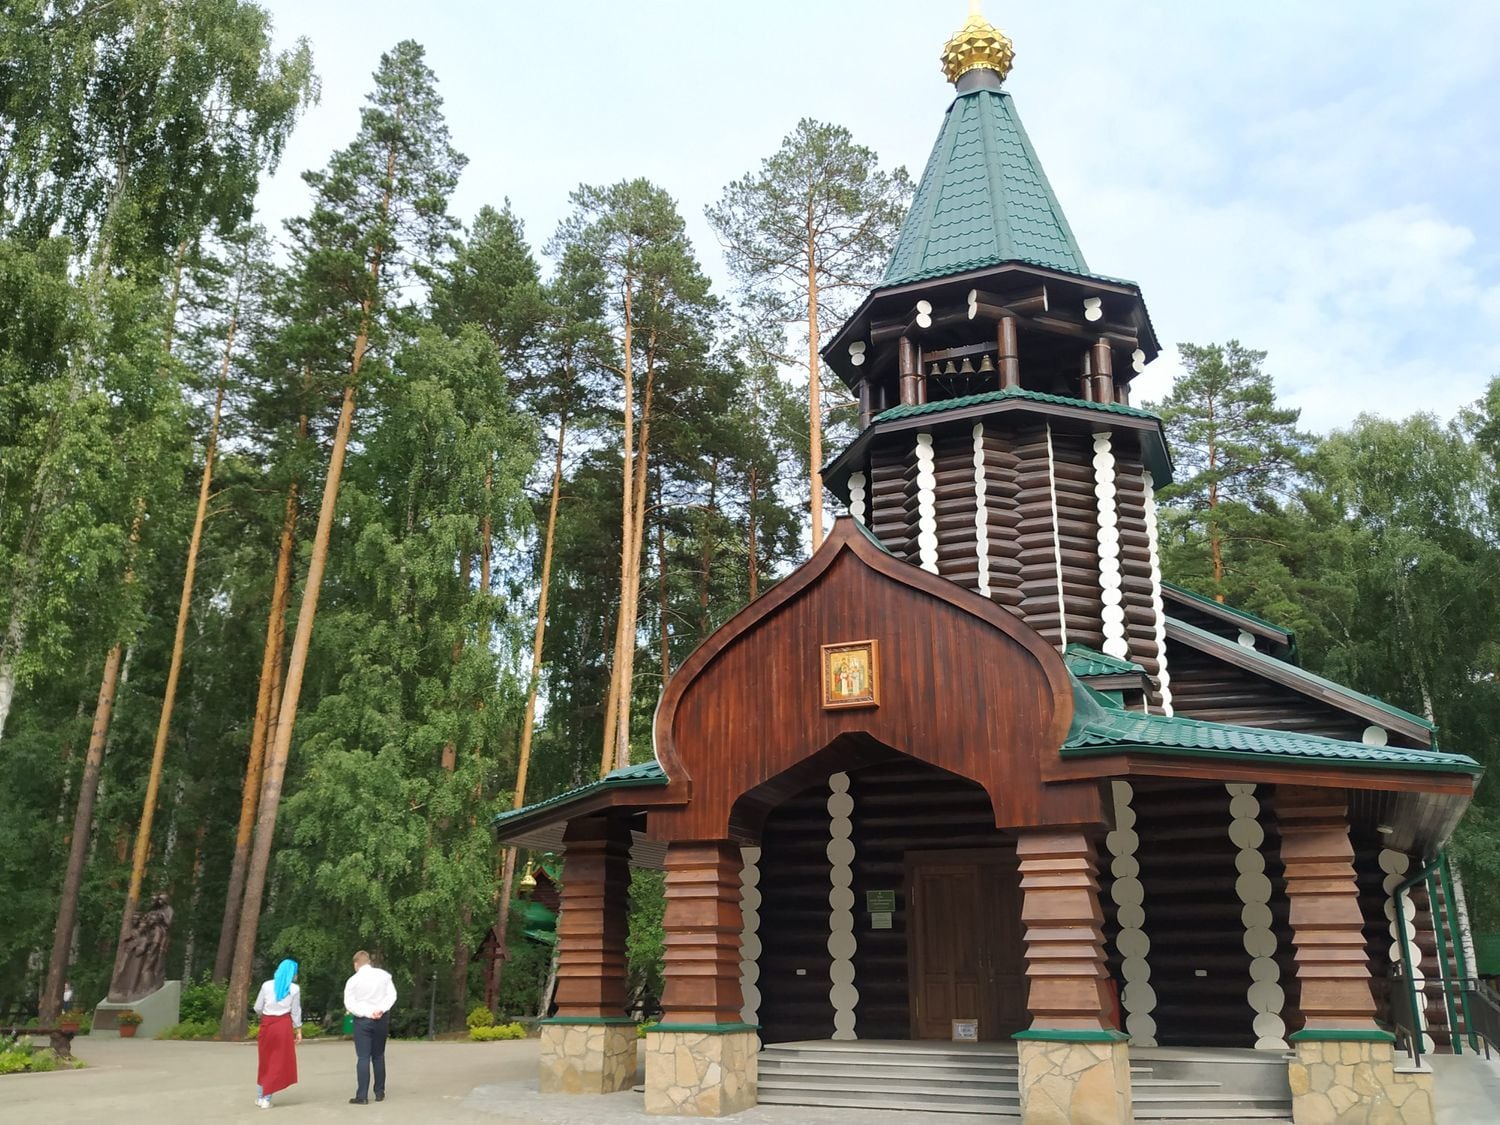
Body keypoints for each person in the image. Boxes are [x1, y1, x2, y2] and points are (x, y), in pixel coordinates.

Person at [342, 950, 396, 1105]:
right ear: (369, 962)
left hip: (363, 1020)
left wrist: (365, 1012)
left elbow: (349, 1003)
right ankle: (379, 1092)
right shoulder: (384, 976)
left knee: (363, 1057)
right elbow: (391, 995)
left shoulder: (352, 981)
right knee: (379, 1056)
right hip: (381, 1019)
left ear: (356, 964)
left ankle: (362, 1095)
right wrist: (380, 1009)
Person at [252, 959, 302, 1109]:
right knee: (278, 1061)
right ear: (292, 973)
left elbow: (257, 1007)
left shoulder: (266, 985)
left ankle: (261, 1096)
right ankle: (266, 1098)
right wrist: (298, 1029)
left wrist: (265, 1015)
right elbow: (295, 1011)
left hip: (267, 1025)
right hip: (283, 1026)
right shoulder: (294, 989)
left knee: (265, 1060)